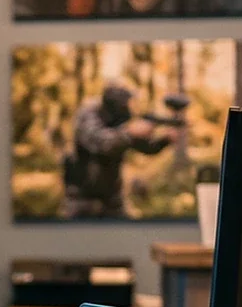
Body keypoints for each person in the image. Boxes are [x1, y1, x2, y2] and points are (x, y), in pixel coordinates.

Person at [61, 83, 179, 218]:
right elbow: (100, 143)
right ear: (115, 105)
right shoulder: (88, 115)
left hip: (112, 198)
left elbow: (145, 147)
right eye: (127, 104)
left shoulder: (120, 120)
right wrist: (129, 132)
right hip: (81, 198)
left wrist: (165, 140)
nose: (130, 108)